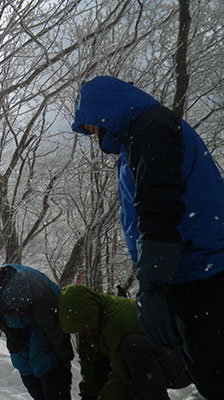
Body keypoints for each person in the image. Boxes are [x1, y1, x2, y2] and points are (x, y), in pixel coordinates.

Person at [71, 76, 224, 399]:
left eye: (92, 127)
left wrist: (153, 285)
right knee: (207, 370)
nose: (93, 135)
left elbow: (158, 211)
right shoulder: (136, 140)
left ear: (104, 111)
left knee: (215, 372)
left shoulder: (150, 129)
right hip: (190, 270)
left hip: (204, 271)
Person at [58, 284, 192, 400]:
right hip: (146, 369)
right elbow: (89, 369)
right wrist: (88, 396)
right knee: (99, 363)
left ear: (91, 314)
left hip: (181, 367)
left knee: (132, 346)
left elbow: (121, 377)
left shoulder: (117, 320)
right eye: (79, 331)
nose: (82, 333)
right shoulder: (90, 326)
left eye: (84, 329)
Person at [0, 264, 74, 400]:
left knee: (43, 360)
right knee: (20, 359)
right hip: (12, 321)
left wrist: (64, 363)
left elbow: (56, 333)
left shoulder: (42, 299)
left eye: (21, 312)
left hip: (40, 319)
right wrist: (8, 329)